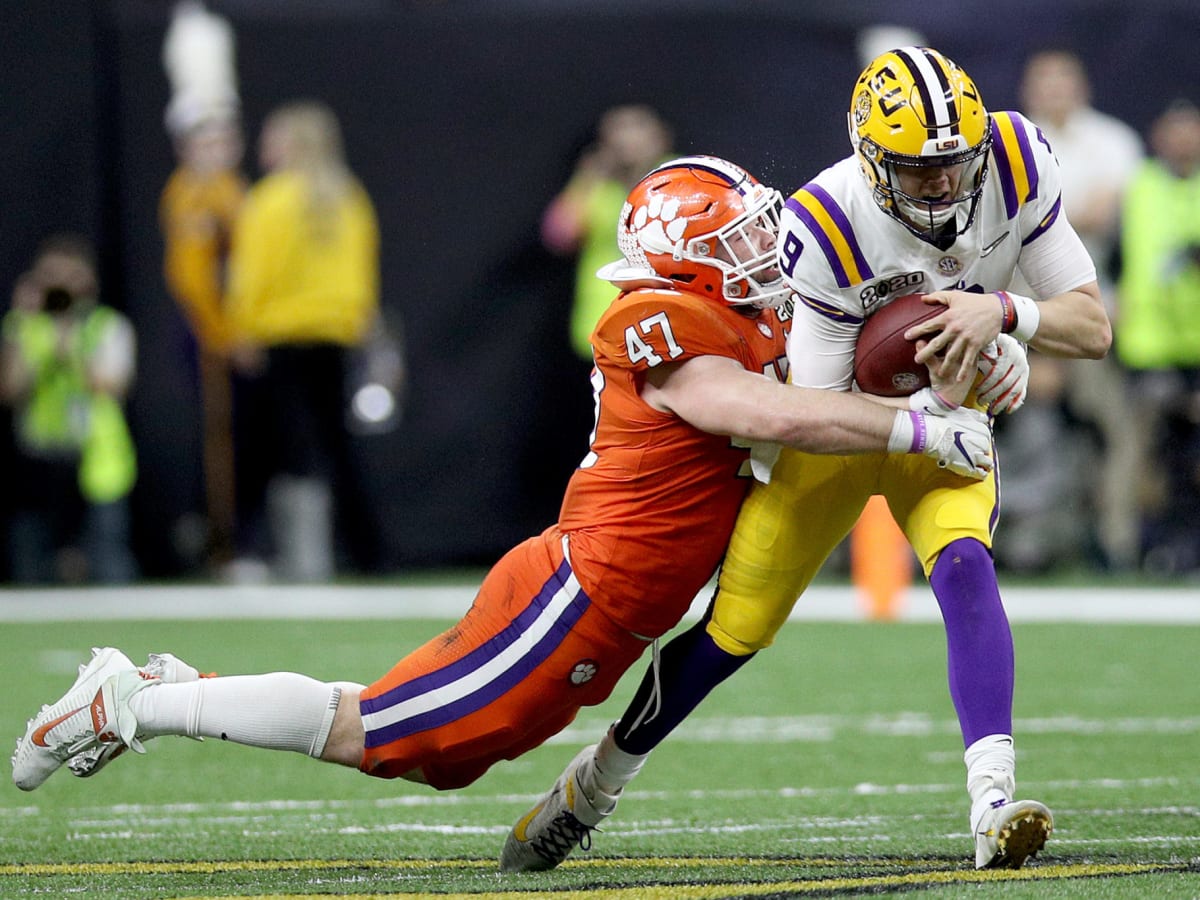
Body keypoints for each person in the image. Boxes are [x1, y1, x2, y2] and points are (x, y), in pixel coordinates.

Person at [12, 157, 995, 803]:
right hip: (579, 596)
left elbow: (812, 379)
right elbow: (761, 414)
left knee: (439, 751)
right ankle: (129, 701)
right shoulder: (659, 321)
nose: (759, 253)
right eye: (733, 239)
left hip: (607, 608)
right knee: (380, 736)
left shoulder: (746, 316)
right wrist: (912, 425)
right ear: (682, 259)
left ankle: (178, 689)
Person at [504, 47, 1112, 874]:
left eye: (953, 163)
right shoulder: (826, 223)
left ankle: (993, 804)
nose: (942, 186)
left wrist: (1007, 322)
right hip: (847, 429)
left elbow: (1091, 327)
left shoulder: (1013, 156)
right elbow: (817, 411)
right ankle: (593, 784)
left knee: (966, 565)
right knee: (731, 633)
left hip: (942, 411)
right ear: (870, 160)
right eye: (916, 171)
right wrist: (936, 402)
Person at [224, 100, 381, 580]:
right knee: (337, 444)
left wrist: (242, 327)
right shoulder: (348, 197)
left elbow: (251, 272)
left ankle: (272, 554)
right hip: (336, 334)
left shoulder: (271, 199)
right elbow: (364, 272)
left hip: (281, 336)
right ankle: (368, 553)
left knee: (271, 445)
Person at [1010, 48, 1145, 570]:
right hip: (1020, 311)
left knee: (1118, 430)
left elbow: (1126, 229)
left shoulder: (1114, 143)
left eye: (1063, 80)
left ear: (1082, 85)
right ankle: (999, 538)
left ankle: (1118, 544)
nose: (1054, 91)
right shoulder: (1011, 147)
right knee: (986, 419)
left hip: (1095, 312)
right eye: (1044, 81)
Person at [0, 234, 139, 584]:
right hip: (39, 461)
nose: (60, 288)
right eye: (51, 278)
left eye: (69, 278)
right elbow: (10, 390)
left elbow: (114, 385)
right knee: (30, 568)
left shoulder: (107, 326)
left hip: (97, 462)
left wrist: (72, 341)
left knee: (108, 561)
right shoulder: (23, 327)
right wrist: (29, 327)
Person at [159, 106, 247, 571]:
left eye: (225, 140)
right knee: (218, 438)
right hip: (210, 332)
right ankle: (219, 546)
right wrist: (222, 336)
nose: (220, 151)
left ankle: (234, 538)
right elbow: (194, 279)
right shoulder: (191, 195)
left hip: (238, 327)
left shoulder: (229, 189)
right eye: (208, 142)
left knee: (239, 437)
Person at [1116, 99, 1200, 572]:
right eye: (1176, 130)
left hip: (1196, 348)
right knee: (1146, 452)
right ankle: (1139, 548)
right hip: (1149, 350)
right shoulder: (1139, 188)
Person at [541, 104, 674, 362]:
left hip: (664, 319)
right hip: (602, 321)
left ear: (660, 136)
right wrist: (588, 178)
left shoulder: (678, 176)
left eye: (636, 128)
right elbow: (558, 236)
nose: (627, 139)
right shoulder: (597, 185)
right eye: (618, 130)